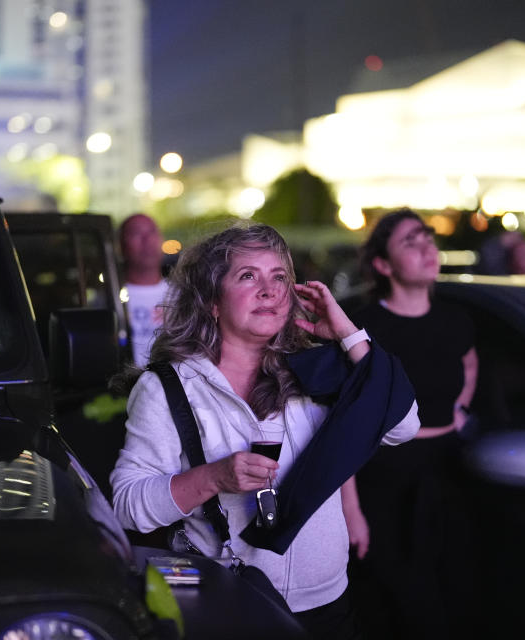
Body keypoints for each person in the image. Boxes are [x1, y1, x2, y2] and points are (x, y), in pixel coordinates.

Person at [110, 223, 419, 639]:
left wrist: (347, 335)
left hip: (326, 605)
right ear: (212, 301)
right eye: (247, 276)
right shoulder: (167, 386)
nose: (270, 290)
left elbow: (404, 426)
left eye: (279, 278)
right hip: (225, 602)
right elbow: (128, 505)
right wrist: (213, 477)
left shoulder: (320, 370)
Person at [343, 208, 480, 639]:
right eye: (410, 241)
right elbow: (341, 423)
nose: (426, 246)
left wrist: (459, 410)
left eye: (427, 236)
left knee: (454, 598)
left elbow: (469, 365)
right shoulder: (365, 328)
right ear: (383, 265)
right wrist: (351, 511)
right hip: (385, 479)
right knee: (401, 610)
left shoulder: (456, 319)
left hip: (449, 469)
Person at [119, 213, 170, 367]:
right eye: (136, 233)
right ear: (121, 246)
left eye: (152, 232)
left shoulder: (184, 296)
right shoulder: (109, 300)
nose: (147, 241)